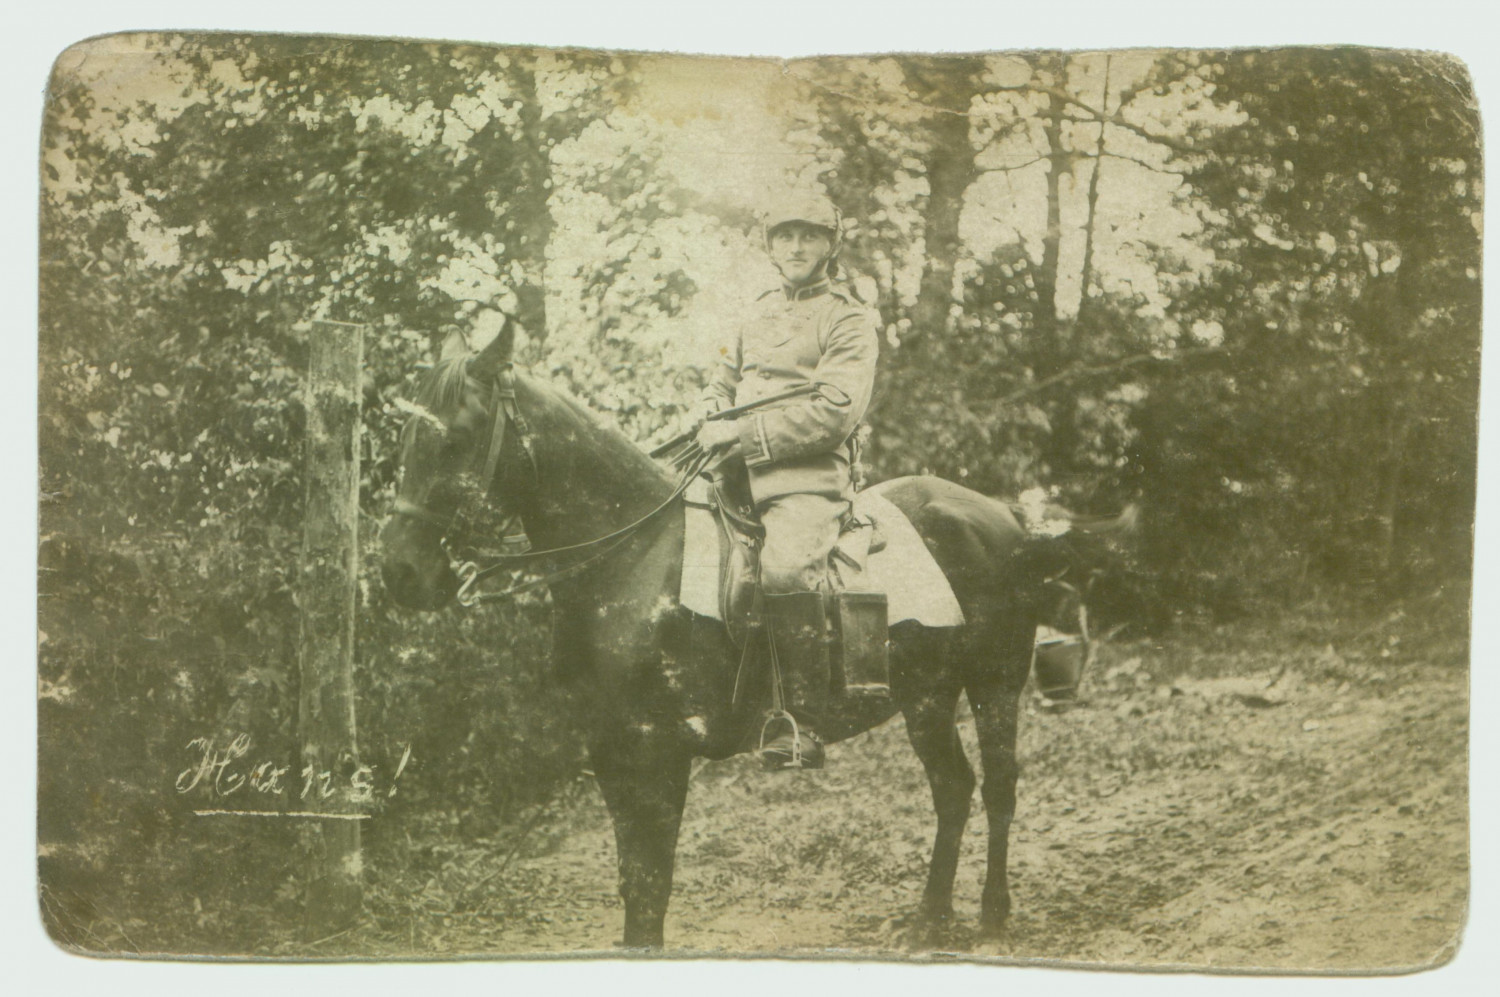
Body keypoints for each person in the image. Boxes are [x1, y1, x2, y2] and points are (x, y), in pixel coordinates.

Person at [691, 191, 879, 770]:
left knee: (786, 566)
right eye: (785, 236)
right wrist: (707, 411)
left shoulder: (848, 318)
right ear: (770, 247)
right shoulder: (749, 313)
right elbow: (717, 380)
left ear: (830, 245)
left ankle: (801, 719)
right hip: (727, 470)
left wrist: (742, 436)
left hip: (804, 476)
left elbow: (833, 414)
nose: (796, 246)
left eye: (810, 236)